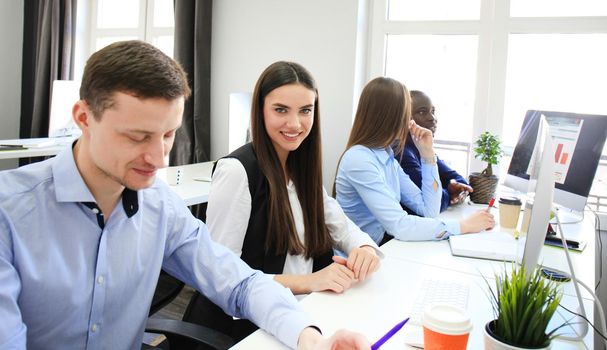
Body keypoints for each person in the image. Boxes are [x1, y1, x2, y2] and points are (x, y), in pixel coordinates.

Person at [0, 41, 371, 350]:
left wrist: (312, 340)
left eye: (168, 135)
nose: (159, 158)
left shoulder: (158, 205)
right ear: (83, 117)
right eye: (137, 136)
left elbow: (240, 282)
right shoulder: (10, 212)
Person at [200, 61, 382, 339]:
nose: (295, 124)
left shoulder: (300, 167)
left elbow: (340, 225)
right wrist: (309, 282)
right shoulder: (238, 171)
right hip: (250, 325)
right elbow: (222, 276)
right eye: (281, 110)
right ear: (260, 110)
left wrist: (364, 249)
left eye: (305, 111)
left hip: (305, 314)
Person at [334, 77, 494, 245]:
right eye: (406, 113)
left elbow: (429, 210)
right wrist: (464, 225)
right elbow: (399, 225)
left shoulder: (387, 157)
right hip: (355, 260)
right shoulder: (359, 159)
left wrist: (427, 154)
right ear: (390, 116)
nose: (409, 121)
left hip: (380, 250)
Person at [395, 90, 473, 213]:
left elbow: (458, 179)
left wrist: (453, 184)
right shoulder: (401, 153)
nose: (432, 118)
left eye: (433, 112)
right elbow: (433, 201)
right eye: (422, 112)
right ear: (404, 118)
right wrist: (450, 192)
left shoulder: (421, 148)